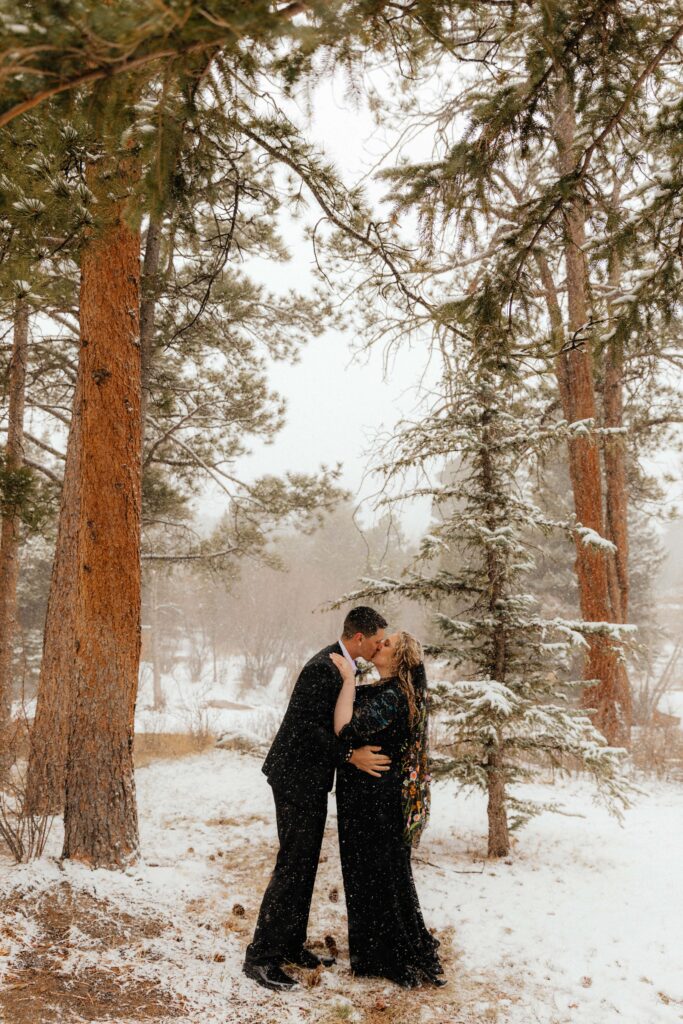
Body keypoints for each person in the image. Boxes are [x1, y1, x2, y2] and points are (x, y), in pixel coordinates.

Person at [243, 606, 390, 992]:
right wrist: (348, 756)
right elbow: (307, 729)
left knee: (305, 864)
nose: (379, 647)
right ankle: (260, 957)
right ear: (360, 637)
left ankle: (290, 944)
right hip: (294, 779)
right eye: (377, 640)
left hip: (309, 780)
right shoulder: (323, 667)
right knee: (292, 865)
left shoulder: (343, 666)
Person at [330, 630, 445, 989]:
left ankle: (385, 953)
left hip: (375, 799)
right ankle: (380, 948)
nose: (380, 645)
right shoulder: (386, 690)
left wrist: (348, 679)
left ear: (400, 660)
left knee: (376, 872)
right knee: (376, 871)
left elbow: (347, 729)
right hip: (368, 796)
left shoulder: (394, 696)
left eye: (389, 644)